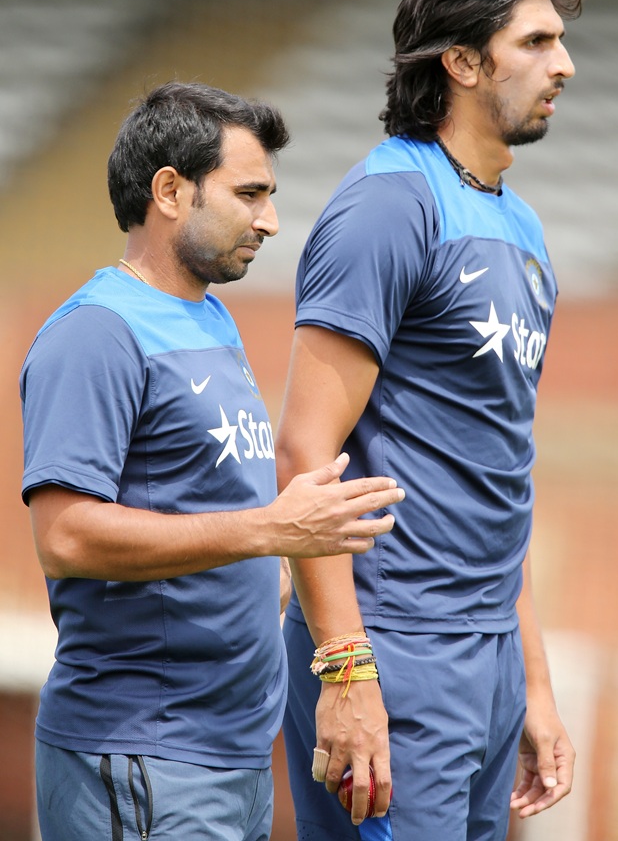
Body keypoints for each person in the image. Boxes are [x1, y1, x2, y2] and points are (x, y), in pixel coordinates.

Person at [19, 81, 405, 841]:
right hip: (143, 752)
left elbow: (205, 504)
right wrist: (271, 532)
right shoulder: (96, 331)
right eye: (249, 193)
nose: (270, 219)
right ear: (170, 191)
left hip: (228, 756)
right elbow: (65, 539)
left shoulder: (209, 315)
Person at [276, 0, 591, 839]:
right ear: (460, 61)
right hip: (394, 640)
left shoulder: (520, 224)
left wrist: (531, 683)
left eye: (559, 40)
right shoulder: (388, 204)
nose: (562, 64)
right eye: (534, 41)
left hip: (487, 654)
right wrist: (346, 672)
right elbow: (304, 453)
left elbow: (498, 471)